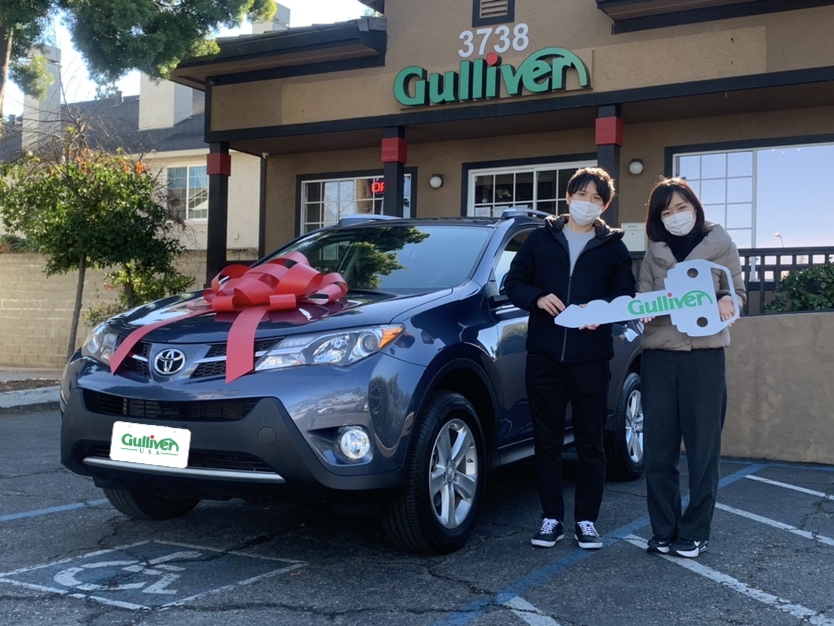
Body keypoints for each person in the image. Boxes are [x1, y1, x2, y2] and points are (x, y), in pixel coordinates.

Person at [505, 166, 636, 550]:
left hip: (591, 360)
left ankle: (586, 521)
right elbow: (513, 282)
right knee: (546, 442)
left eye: (596, 198)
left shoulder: (613, 247)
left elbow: (625, 296)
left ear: (604, 206)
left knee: (591, 442)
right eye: (582, 195)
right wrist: (537, 297)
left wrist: (602, 314)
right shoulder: (540, 239)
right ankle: (551, 519)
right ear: (568, 197)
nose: (587, 203)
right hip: (544, 357)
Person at [639, 177, 746, 559]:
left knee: (704, 450)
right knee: (658, 450)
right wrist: (644, 311)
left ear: (695, 208)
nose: (676, 216)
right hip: (659, 357)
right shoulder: (654, 253)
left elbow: (737, 292)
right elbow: (644, 301)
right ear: (658, 218)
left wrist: (726, 301)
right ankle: (663, 529)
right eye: (667, 211)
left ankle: (696, 531)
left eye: (681, 207)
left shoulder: (721, 243)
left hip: (705, 357)